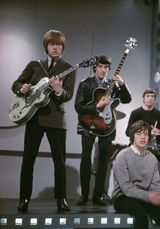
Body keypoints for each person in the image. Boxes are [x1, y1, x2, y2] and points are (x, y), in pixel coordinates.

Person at [12, 30, 75, 212]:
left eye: (59, 44)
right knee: (28, 160)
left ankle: (61, 199)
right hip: (34, 118)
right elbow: (16, 84)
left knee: (59, 162)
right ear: (46, 46)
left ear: (63, 47)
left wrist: (58, 90)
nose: (55, 47)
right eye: (51, 44)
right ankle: (24, 199)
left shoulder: (68, 68)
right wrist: (21, 87)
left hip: (56, 120)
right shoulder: (34, 65)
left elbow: (67, 95)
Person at [74, 55, 132, 206]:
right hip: (88, 124)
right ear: (95, 67)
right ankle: (84, 195)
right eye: (100, 66)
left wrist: (123, 83)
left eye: (106, 67)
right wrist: (96, 107)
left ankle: (98, 196)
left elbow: (127, 99)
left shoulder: (113, 85)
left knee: (103, 161)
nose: (103, 69)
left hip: (107, 125)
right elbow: (78, 107)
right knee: (86, 157)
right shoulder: (85, 84)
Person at [112, 120, 160, 229]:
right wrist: (148, 196)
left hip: (144, 197)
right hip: (123, 197)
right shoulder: (122, 156)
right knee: (141, 215)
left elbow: (155, 184)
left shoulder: (152, 158)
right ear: (133, 137)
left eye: (145, 134)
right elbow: (126, 188)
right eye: (139, 134)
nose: (142, 137)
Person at [126, 88, 160, 198]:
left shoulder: (159, 115)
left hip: (153, 145)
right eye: (148, 96)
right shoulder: (135, 113)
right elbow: (128, 132)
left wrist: (158, 132)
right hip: (137, 145)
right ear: (143, 98)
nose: (150, 98)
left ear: (155, 99)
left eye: (152, 96)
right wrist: (139, 131)